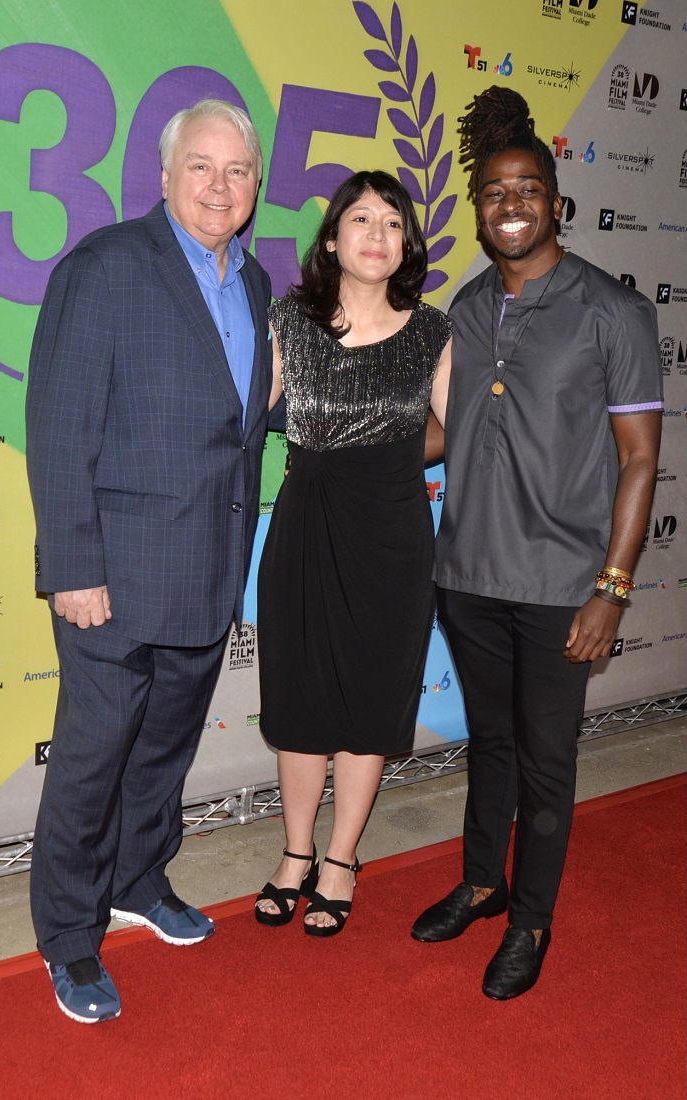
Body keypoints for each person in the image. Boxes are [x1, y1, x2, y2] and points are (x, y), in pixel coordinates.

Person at [25, 99, 274, 1023]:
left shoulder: (251, 285)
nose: (220, 186)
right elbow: (57, 431)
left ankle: (138, 879)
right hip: (114, 581)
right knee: (91, 764)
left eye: (238, 171)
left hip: (207, 572)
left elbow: (239, 421)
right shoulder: (106, 268)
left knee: (163, 753)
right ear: (164, 177)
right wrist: (74, 567)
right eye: (201, 167)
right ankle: (69, 937)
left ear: (256, 187)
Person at [411, 87, 663, 999]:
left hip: (564, 583)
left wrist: (612, 587)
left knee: (548, 759)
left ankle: (530, 919)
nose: (509, 205)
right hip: (467, 575)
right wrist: (348, 452)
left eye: (526, 190)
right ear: (475, 209)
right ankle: (483, 882)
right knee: (491, 741)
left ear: (555, 202)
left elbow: (638, 463)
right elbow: (446, 428)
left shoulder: (614, 312)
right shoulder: (468, 309)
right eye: (491, 192)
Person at [255, 170, 452, 936]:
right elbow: (241, 423)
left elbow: (465, 431)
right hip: (305, 524)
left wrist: (394, 455)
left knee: (369, 699)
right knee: (301, 696)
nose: (376, 233)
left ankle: (341, 858)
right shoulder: (287, 323)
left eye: (392, 222)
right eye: (360, 219)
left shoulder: (432, 331)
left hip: (393, 536)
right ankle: (295, 853)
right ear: (331, 238)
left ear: (406, 244)